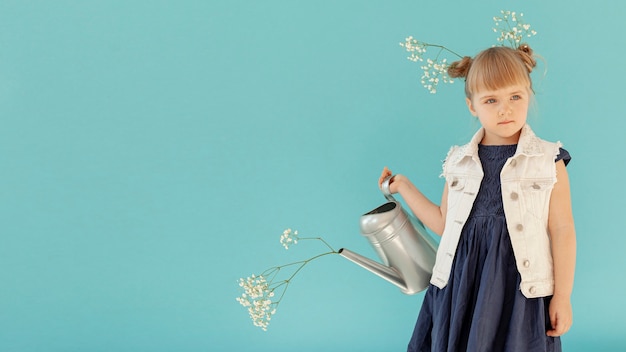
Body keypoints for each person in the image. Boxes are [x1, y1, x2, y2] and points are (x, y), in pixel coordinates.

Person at [379, 44, 576, 352]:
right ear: (472, 105)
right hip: (462, 287)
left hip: (520, 288)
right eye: (491, 100)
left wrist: (562, 295)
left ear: (528, 94)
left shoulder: (548, 160)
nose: (505, 109)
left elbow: (562, 230)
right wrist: (403, 186)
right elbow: (445, 224)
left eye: (515, 96)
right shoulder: (459, 161)